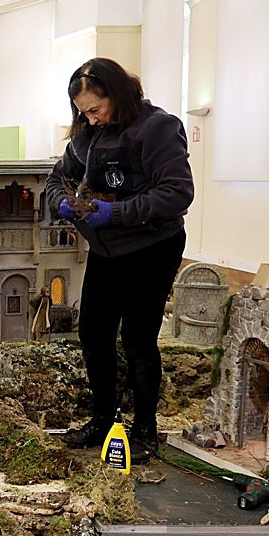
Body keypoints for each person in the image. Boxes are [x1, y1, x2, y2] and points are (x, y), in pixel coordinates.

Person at [44, 58, 194, 463]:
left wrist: (118, 211)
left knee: (138, 339)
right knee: (94, 333)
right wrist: (61, 200)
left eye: (95, 110)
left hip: (151, 246)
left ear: (117, 93)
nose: (90, 120)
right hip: (106, 249)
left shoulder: (158, 128)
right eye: (82, 112)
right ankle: (104, 419)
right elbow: (57, 176)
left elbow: (177, 193)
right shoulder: (87, 135)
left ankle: (145, 429)